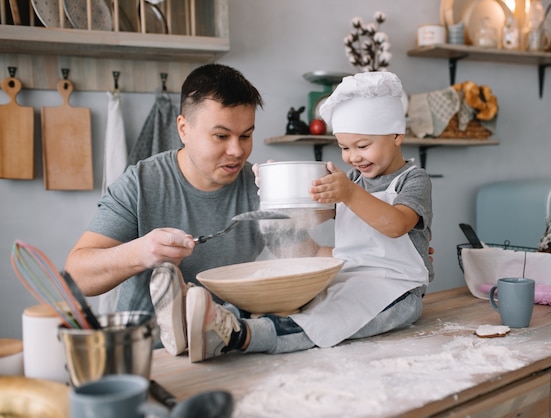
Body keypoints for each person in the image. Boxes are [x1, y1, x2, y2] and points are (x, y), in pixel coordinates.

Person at [151, 70, 434, 362]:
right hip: (347, 277)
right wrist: (278, 191)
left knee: (327, 321)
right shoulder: (355, 181)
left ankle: (237, 336)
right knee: (295, 303)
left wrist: (348, 193)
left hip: (396, 291)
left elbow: (397, 224)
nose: (352, 157)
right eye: (344, 148)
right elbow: (313, 216)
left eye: (362, 146)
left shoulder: (412, 180)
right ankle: (199, 321)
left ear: (397, 135)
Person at [64, 63, 323, 332]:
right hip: (150, 351)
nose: (237, 150)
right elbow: (76, 275)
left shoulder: (256, 187)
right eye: (221, 136)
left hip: (232, 342)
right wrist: (140, 252)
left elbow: (311, 257)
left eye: (246, 135)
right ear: (184, 129)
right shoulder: (141, 184)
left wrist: (332, 206)